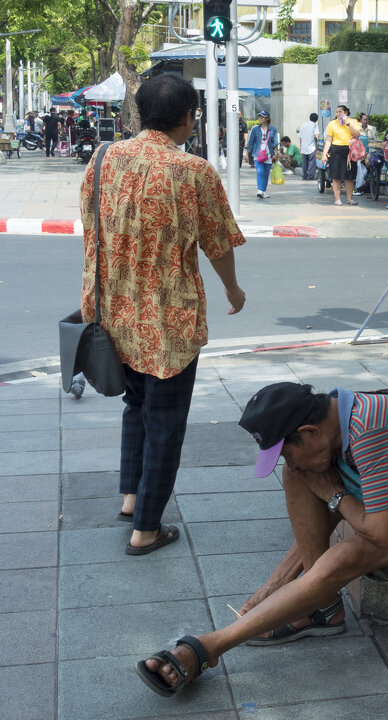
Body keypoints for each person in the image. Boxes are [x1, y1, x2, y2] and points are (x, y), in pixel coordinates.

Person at [134, 382, 388, 696]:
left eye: (287, 451)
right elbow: (332, 494)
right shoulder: (340, 418)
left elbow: (382, 533)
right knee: (301, 477)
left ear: (310, 432)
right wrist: (276, 583)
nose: (288, 461)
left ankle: (210, 647)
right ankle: (321, 608)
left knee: (345, 552)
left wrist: (335, 495)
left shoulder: (373, 430)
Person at [80, 74, 245, 555]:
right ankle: (147, 529)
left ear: (140, 112)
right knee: (167, 420)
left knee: (136, 405)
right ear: (188, 117)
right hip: (167, 320)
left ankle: (132, 498)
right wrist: (233, 291)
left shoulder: (103, 158)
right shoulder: (193, 171)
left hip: (113, 311)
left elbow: (92, 227)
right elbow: (218, 245)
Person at [324, 104, 359, 206]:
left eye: (340, 111)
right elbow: (329, 140)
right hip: (336, 151)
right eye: (337, 112)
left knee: (349, 177)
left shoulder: (353, 122)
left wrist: (348, 123)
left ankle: (349, 199)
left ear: (346, 112)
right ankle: (337, 199)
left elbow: (357, 134)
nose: (338, 113)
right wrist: (324, 154)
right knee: (336, 176)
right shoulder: (332, 123)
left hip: (350, 151)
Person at [245, 110, 278, 200]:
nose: (260, 118)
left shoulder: (273, 129)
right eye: (259, 116)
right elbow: (251, 142)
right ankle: (259, 191)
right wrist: (247, 153)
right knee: (260, 171)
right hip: (257, 154)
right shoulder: (255, 129)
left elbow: (275, 143)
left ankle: (263, 191)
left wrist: (276, 153)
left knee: (266, 174)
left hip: (268, 154)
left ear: (267, 118)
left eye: (262, 117)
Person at [298, 112, 319, 180]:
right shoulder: (315, 125)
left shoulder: (303, 125)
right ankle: (310, 176)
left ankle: (304, 176)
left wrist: (301, 146)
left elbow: (300, 137)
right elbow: (317, 136)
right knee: (311, 163)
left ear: (309, 118)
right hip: (311, 148)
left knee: (304, 164)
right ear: (317, 119)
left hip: (304, 148)